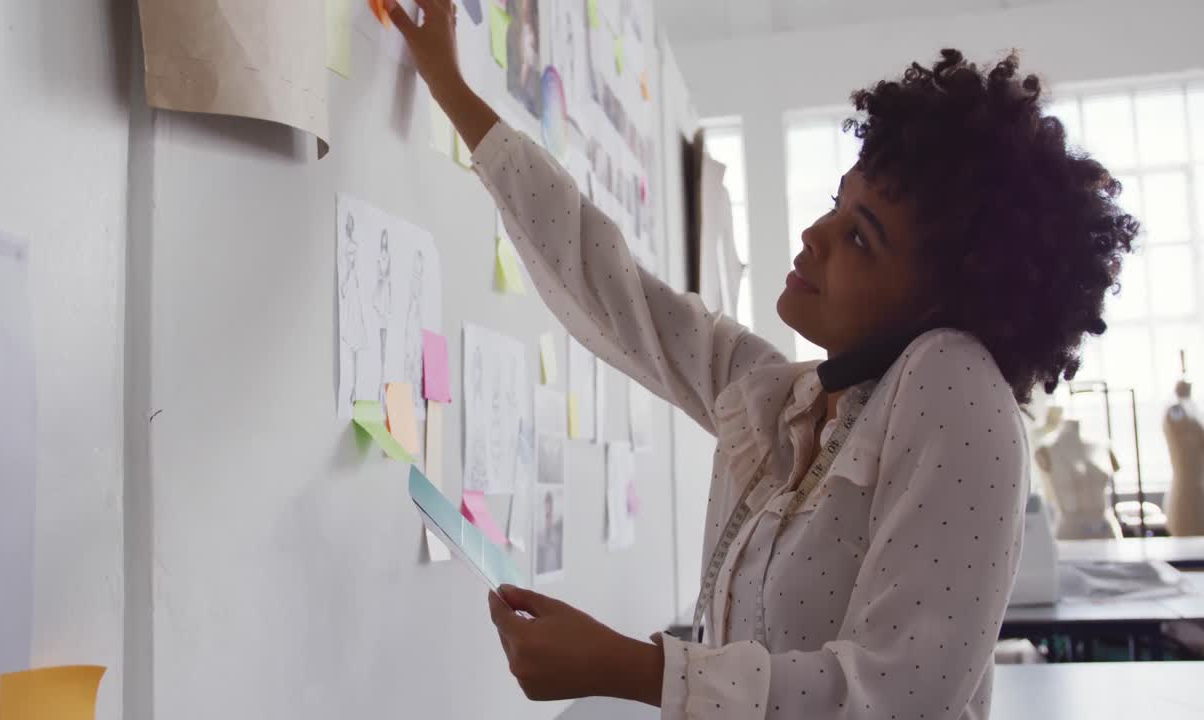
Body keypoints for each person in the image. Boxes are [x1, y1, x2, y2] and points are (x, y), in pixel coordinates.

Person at [387, 2, 1138, 716]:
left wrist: (632, 668)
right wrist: (451, 85)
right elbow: (607, 285)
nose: (815, 235)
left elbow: (896, 698)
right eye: (838, 205)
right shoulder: (784, 401)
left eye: (860, 237)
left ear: (941, 305)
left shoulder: (956, 379)